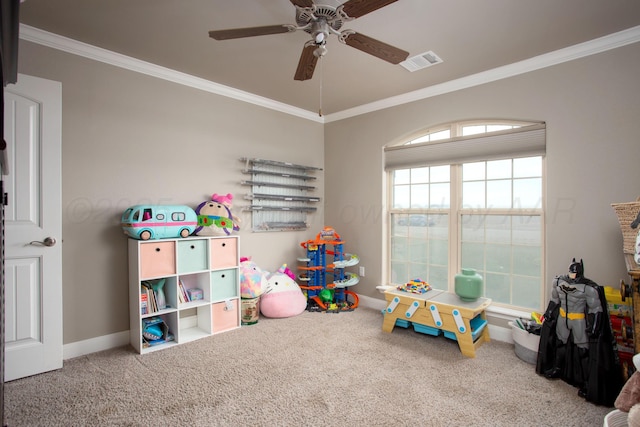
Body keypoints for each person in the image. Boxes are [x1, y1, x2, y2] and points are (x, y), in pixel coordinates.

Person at [536, 258, 623, 406]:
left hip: (578, 320)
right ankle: (557, 368)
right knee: (560, 344)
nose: (572, 274)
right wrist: (549, 313)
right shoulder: (559, 282)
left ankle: (585, 381)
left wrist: (595, 325)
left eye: (575, 272)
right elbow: (554, 301)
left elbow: (596, 309)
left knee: (583, 351)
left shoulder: (588, 288)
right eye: (571, 271)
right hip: (563, 318)